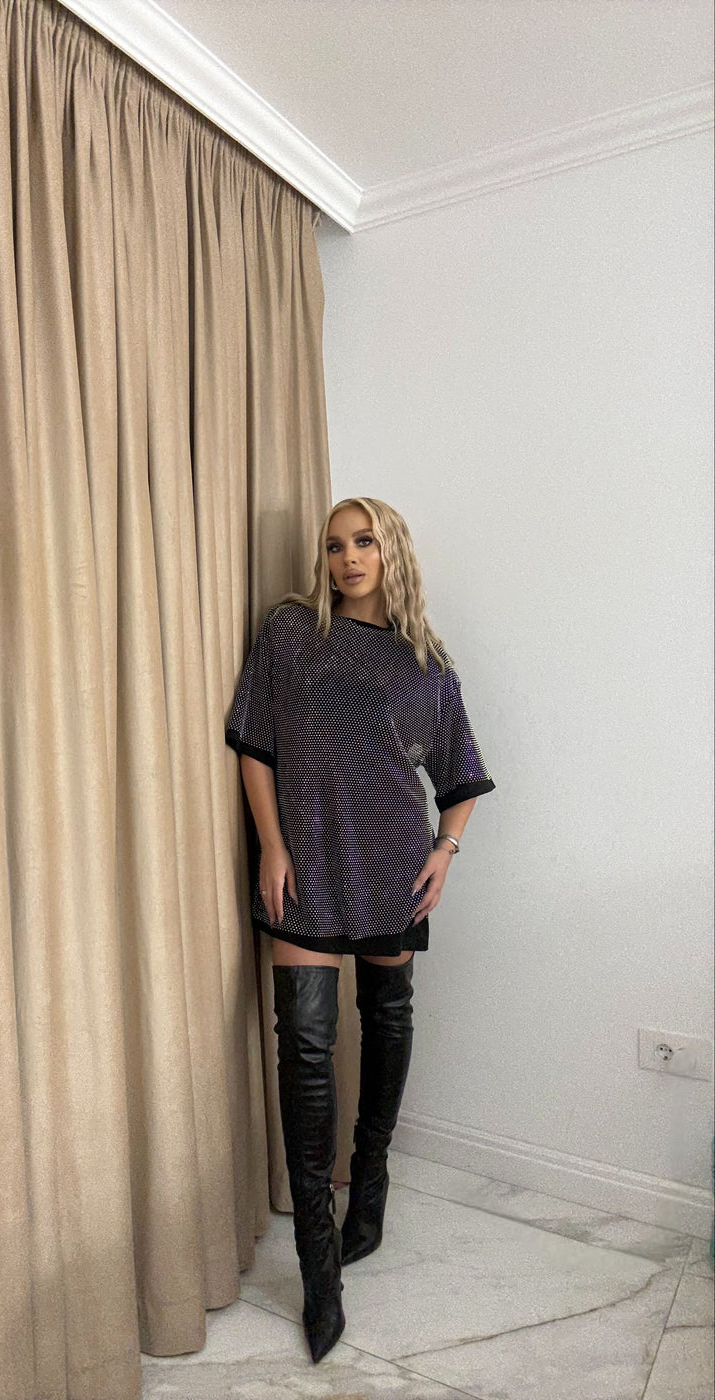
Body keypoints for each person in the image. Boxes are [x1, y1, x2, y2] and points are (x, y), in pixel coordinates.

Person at [225, 497, 496, 1364]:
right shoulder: (292, 633)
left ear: (391, 551)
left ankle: (370, 1183)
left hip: (390, 862)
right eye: (336, 544)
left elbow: (459, 776)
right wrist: (271, 844)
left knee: (386, 1019)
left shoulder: (427, 668)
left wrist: (445, 851)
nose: (348, 557)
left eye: (364, 541)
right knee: (304, 1049)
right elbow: (254, 745)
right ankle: (319, 1263)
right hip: (303, 861)